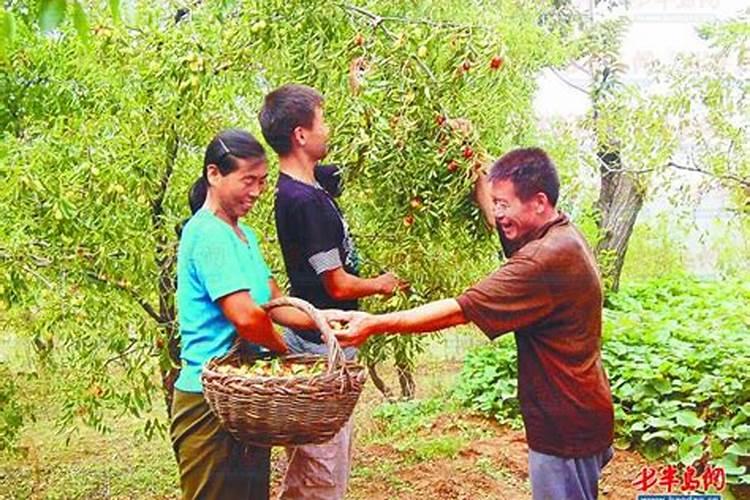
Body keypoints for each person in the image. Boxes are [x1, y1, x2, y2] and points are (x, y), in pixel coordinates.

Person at [336, 148, 615, 500]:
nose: (498, 213)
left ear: (539, 202)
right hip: (579, 411)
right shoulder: (558, 232)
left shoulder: (544, 260)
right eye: (495, 202)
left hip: (564, 428)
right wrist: (471, 160)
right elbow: (496, 215)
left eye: (505, 204)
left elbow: (460, 309)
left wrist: (375, 323)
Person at [170, 129, 345, 500]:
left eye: (262, 182)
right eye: (247, 180)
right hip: (208, 400)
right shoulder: (205, 233)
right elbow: (248, 317)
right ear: (214, 174)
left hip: (246, 398)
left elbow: (273, 301)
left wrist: (325, 323)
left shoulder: (244, 235)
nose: (256, 191)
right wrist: (285, 354)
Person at [259, 83, 407, 499]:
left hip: (322, 341)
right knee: (320, 468)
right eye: (322, 121)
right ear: (300, 135)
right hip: (320, 346)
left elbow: (361, 158)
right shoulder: (303, 201)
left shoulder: (312, 184)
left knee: (321, 460)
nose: (329, 129)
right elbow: (337, 283)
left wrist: (363, 93)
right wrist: (381, 285)